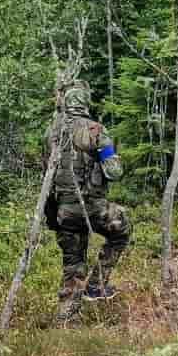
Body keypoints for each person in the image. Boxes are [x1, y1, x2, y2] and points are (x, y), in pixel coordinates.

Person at [47, 81, 130, 305]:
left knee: (72, 266)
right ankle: (97, 286)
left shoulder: (53, 132)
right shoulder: (96, 130)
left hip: (63, 211)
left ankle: (66, 321)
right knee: (121, 230)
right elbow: (114, 172)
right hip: (93, 208)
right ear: (85, 102)